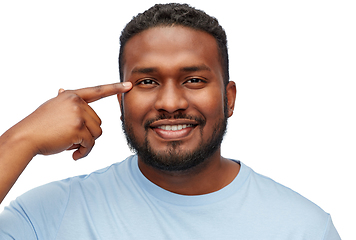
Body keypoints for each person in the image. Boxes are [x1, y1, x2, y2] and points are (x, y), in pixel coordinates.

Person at [0, 3, 340, 239]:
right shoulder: (46, 216)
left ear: (229, 98)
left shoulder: (304, 228)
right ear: (121, 101)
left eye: (193, 80)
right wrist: (20, 141)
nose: (171, 103)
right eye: (147, 82)